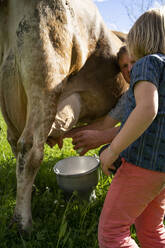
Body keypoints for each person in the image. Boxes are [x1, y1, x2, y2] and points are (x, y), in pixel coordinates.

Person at [98, 7, 165, 248]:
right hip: (161, 170)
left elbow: (147, 109)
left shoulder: (147, 64)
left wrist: (113, 150)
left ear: (137, 39)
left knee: (111, 232)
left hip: (141, 164)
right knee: (150, 229)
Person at [65, 45, 134, 155]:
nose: (130, 69)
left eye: (133, 62)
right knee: (105, 152)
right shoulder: (128, 97)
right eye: (124, 66)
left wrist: (102, 137)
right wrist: (63, 134)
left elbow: (148, 125)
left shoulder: (157, 85)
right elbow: (104, 125)